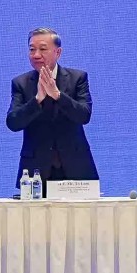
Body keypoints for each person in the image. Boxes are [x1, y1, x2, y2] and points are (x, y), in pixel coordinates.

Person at [6, 28, 98, 190]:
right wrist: (37, 99)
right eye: (32, 49)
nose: (36, 55)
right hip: (35, 171)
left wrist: (57, 95)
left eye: (42, 49)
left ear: (58, 52)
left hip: (76, 168)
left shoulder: (77, 78)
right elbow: (13, 122)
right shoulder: (21, 83)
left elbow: (84, 115)